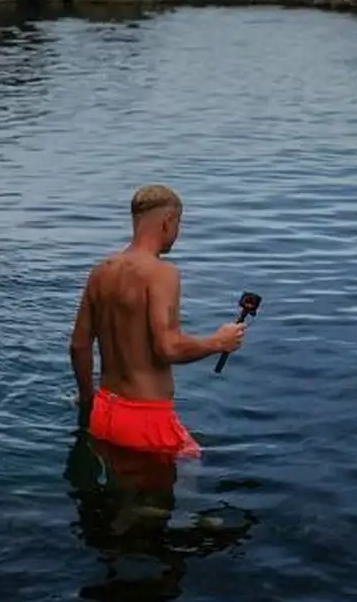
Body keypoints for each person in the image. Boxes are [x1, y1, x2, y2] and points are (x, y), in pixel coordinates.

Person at [69, 184, 246, 460]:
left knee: (117, 497)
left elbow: (79, 346)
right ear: (168, 222)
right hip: (146, 419)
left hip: (103, 413)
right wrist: (218, 342)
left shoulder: (101, 272)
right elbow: (169, 348)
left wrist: (87, 399)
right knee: (178, 484)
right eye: (179, 224)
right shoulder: (162, 273)